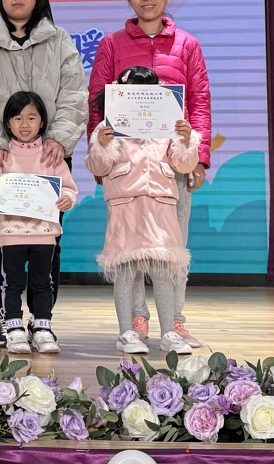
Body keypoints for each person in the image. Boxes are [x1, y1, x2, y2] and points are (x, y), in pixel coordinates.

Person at [0, 0, 87, 345]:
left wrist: (58, 138)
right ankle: (5, 317)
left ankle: (42, 319)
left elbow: (74, 93)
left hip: (49, 156)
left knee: (48, 240)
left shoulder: (59, 40)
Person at [86, 0, 211, 349]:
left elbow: (199, 102)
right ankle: (136, 318)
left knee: (172, 245)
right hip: (124, 164)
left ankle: (175, 321)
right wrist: (98, 148)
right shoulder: (112, 44)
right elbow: (97, 102)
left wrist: (199, 154)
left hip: (170, 160)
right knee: (129, 247)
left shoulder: (187, 44)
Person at [85, 66, 198, 356]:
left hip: (160, 203)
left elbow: (184, 165)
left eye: (149, 91)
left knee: (162, 270)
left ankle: (169, 332)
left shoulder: (170, 124)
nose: (142, 97)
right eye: (134, 91)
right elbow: (97, 166)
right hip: (125, 204)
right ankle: (126, 332)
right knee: (125, 270)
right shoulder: (107, 128)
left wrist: (187, 141)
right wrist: (102, 145)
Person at [0, 92, 77, 355]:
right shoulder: (1, 157)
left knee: (43, 283)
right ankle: (13, 328)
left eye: (32, 117)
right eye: (17, 118)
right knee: (13, 284)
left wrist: (67, 198)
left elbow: (69, 188)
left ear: (42, 121)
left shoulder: (52, 155)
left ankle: (42, 327)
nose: (24, 124)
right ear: (7, 123)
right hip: (11, 235)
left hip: (44, 234)